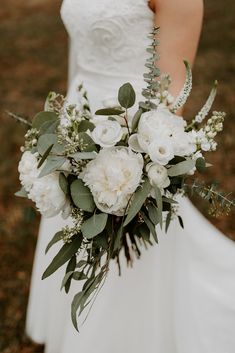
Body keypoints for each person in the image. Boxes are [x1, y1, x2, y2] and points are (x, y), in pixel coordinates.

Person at [26, 1, 235, 352]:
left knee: (125, 258)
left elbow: (173, 91)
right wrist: (65, 133)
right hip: (79, 116)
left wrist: (135, 165)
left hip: (132, 133)